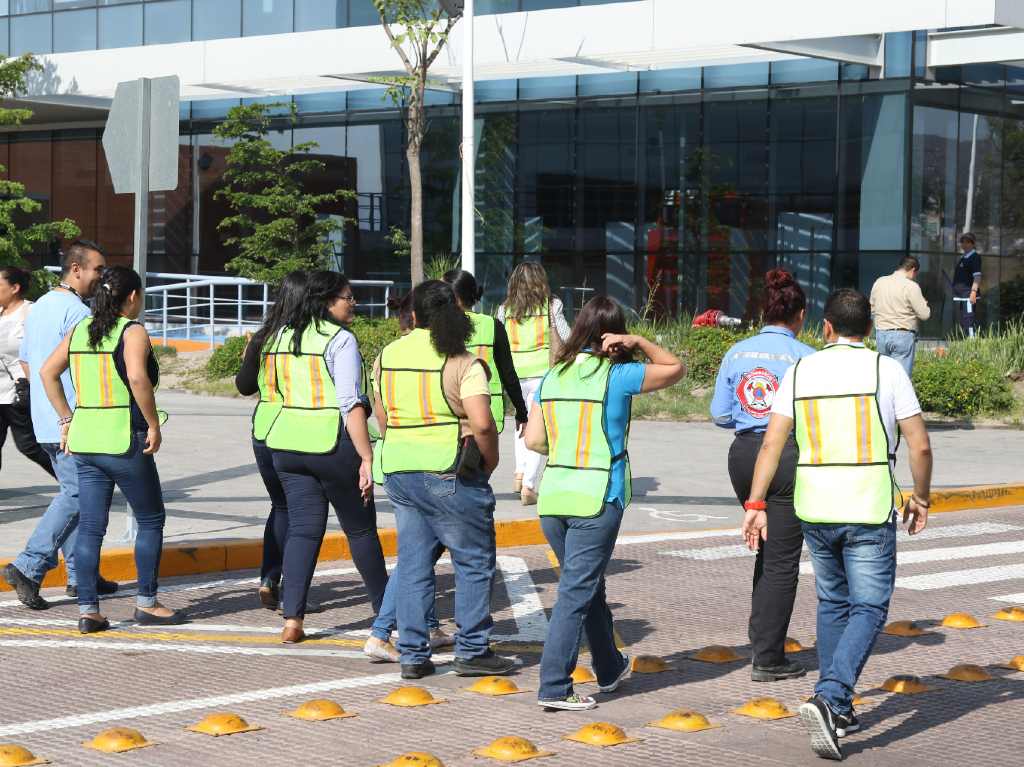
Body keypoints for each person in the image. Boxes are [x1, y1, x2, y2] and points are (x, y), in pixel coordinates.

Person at [745, 288, 933, 761]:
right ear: (869, 330)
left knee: (833, 602)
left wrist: (756, 501)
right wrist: (922, 496)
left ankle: (839, 704)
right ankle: (830, 697)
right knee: (869, 607)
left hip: (815, 506)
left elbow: (772, 443)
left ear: (825, 328)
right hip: (867, 506)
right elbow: (920, 445)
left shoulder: (800, 370)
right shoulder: (884, 369)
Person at [525, 296, 685, 711]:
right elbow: (675, 369)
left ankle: (609, 666)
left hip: (554, 497)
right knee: (575, 593)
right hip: (598, 498)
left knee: (587, 585)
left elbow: (533, 440)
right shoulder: (619, 376)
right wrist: (639, 339)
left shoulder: (553, 375)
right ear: (613, 334)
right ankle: (554, 685)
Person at [374, 280, 514, 679]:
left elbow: (381, 416)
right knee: (473, 561)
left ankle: (413, 654)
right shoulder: (462, 361)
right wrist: (490, 461)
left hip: (400, 469)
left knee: (414, 564)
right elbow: (483, 423)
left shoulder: (388, 353)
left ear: (413, 314)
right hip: (447, 469)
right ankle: (472, 649)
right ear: (455, 311)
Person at [40, 266, 183, 632]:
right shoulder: (131, 331)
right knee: (151, 519)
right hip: (123, 438)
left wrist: (66, 419)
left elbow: (47, 372)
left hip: (86, 439)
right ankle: (147, 603)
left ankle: (89, 610)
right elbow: (137, 377)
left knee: (90, 527)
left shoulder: (80, 330)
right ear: (132, 296)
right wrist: (153, 424)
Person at [265, 270, 387, 644]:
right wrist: (366, 457)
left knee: (303, 530)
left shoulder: (279, 335)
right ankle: (387, 613)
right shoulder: (340, 340)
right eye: (347, 298)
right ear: (326, 301)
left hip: (286, 445)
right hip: (332, 447)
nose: (353, 304)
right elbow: (350, 403)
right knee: (361, 530)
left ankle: (292, 620)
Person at [710, 268, 814, 683]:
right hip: (786, 455)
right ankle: (768, 656)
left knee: (769, 551)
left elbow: (719, 414)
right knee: (781, 561)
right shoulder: (806, 356)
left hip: (743, 454)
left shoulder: (737, 352)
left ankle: (762, 640)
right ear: (800, 315)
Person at [3, 241, 118, 610]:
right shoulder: (77, 313)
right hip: (71, 420)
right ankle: (29, 565)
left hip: (44, 416)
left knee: (78, 495)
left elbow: (25, 364)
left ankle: (80, 575)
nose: (102, 277)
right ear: (76, 268)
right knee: (79, 495)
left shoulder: (38, 309)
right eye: (98, 270)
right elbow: (87, 368)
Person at [363, 290, 452, 664]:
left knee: (418, 550)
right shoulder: (450, 355)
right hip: (439, 464)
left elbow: (380, 416)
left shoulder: (385, 355)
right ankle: (382, 631)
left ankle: (423, 626)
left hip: (397, 461)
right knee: (422, 553)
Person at [234, 270, 309, 610]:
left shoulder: (263, 337)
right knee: (303, 512)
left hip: (263, 430)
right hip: (297, 433)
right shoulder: (309, 338)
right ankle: (292, 589)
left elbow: (244, 385)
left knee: (281, 507)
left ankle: (269, 577)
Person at [497, 262, 571, 505]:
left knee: (522, 424)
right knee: (541, 429)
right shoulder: (551, 306)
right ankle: (529, 484)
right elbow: (567, 337)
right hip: (543, 375)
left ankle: (519, 472)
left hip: (514, 377)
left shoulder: (504, 310)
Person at [443, 269, 529, 435]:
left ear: (453, 296)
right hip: (486, 411)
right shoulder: (492, 326)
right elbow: (508, 373)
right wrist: (521, 411)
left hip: (450, 413)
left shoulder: (437, 328)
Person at [0, 266, 54, 478]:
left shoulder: (31, 312)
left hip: (19, 392)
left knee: (28, 445)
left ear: (15, 288)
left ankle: (73, 481)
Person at [870, 256, 930, 376]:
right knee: (901, 379)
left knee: (885, 378)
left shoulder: (880, 282)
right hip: (903, 335)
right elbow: (925, 314)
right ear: (913, 270)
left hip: (881, 334)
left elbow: (872, 307)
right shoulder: (911, 286)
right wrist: (924, 303)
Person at [953, 233, 982, 338]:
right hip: (961, 296)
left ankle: (972, 345)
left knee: (969, 320)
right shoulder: (963, 257)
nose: (964, 244)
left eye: (967, 242)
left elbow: (977, 276)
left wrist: (973, 292)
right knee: (964, 320)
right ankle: (966, 343)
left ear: (972, 244)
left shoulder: (974, 257)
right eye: (962, 242)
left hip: (968, 295)